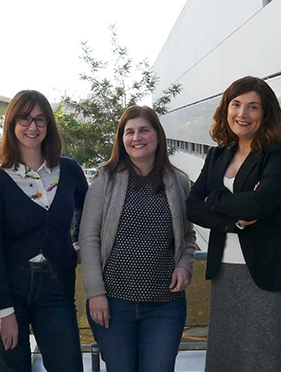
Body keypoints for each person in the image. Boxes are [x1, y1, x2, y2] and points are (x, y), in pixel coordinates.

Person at [186, 76, 281, 371]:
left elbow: (261, 204)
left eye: (253, 107)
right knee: (231, 357)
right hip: (226, 273)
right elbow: (193, 207)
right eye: (236, 104)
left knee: (271, 358)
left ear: (266, 113)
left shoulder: (280, 153)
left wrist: (215, 199)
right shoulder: (218, 154)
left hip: (270, 273)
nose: (242, 114)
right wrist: (238, 222)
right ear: (226, 109)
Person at [79, 105, 196, 372]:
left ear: (157, 135)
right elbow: (88, 238)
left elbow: (188, 235)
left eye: (144, 130)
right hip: (113, 304)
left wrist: (184, 264)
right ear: (121, 140)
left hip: (166, 306)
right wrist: (95, 292)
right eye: (129, 132)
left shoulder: (179, 182)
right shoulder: (105, 180)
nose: (137, 138)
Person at [0, 90, 87, 372]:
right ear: (12, 124)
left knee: (68, 366)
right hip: (8, 290)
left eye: (40, 120)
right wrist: (4, 310)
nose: (33, 126)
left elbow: (88, 213)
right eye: (24, 119)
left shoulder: (69, 170)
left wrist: (78, 245)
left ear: (48, 125)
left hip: (56, 286)